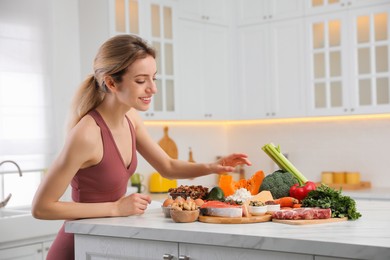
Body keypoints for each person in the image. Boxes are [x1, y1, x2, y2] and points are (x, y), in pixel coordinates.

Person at [32, 34, 251, 260]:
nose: (153, 89)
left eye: (153, 78)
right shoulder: (87, 134)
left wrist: (212, 166)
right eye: (140, 81)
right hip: (78, 247)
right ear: (111, 82)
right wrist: (115, 208)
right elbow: (42, 207)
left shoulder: (131, 118)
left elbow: (168, 166)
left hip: (104, 244)